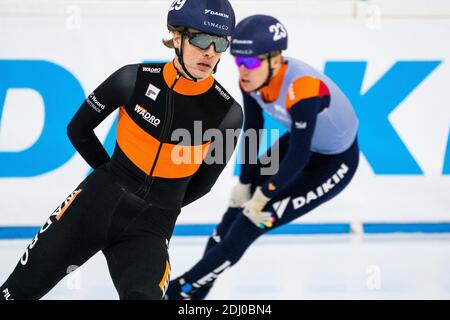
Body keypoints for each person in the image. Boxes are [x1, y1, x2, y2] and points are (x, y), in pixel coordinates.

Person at [0, 0, 243, 300]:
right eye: (201, 38)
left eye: (220, 42)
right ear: (176, 37)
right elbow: (78, 130)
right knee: (14, 295)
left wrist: (162, 202)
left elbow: (203, 184)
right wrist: (110, 179)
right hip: (92, 207)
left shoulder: (228, 114)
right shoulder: (133, 79)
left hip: (149, 230)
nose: (210, 51)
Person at [165, 14, 360, 300]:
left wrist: (264, 194)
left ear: (275, 59)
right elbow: (253, 131)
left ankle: (178, 290)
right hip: (299, 146)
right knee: (231, 217)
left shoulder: (304, 88)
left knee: (249, 224)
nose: (243, 70)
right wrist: (245, 182)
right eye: (238, 61)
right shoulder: (250, 79)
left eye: (251, 62)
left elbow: (300, 154)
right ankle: (191, 297)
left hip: (334, 163)